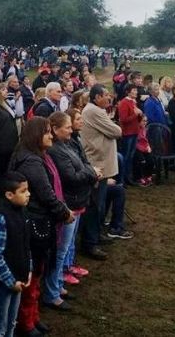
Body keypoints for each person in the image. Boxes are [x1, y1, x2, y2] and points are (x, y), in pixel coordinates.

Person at [9, 117, 72, 335]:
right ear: (36, 135)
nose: (51, 135)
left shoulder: (37, 156)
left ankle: (33, 316)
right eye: (47, 132)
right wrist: (64, 213)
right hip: (35, 222)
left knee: (36, 272)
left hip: (37, 220)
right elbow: (46, 194)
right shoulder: (32, 162)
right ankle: (26, 322)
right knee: (32, 273)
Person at [44, 112, 98, 307]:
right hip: (69, 203)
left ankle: (57, 285)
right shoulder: (56, 151)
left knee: (65, 247)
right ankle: (52, 292)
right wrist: (91, 173)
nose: (70, 129)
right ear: (55, 129)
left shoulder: (67, 144)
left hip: (77, 200)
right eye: (67, 126)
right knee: (60, 250)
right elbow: (71, 176)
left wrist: (88, 171)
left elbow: (81, 164)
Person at [0, 172, 32, 337]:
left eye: (28, 190)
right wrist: (9, 281)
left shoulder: (23, 213)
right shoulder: (1, 218)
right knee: (0, 325)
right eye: (23, 191)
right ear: (9, 194)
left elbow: (26, 246)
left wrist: (28, 270)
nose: (28, 194)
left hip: (19, 279)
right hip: (4, 284)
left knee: (12, 322)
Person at [80, 85, 121, 261]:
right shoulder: (94, 111)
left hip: (101, 164)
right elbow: (116, 131)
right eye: (105, 95)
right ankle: (90, 243)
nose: (109, 98)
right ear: (96, 97)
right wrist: (114, 127)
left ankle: (96, 235)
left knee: (100, 204)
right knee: (94, 206)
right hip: (97, 165)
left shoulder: (96, 110)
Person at [117, 84, 143, 186]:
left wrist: (140, 115)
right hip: (128, 133)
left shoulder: (133, 102)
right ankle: (123, 179)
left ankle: (128, 177)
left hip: (134, 132)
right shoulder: (124, 103)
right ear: (128, 92)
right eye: (134, 90)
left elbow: (137, 119)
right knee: (126, 156)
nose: (136, 92)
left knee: (130, 156)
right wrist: (135, 114)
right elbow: (123, 119)